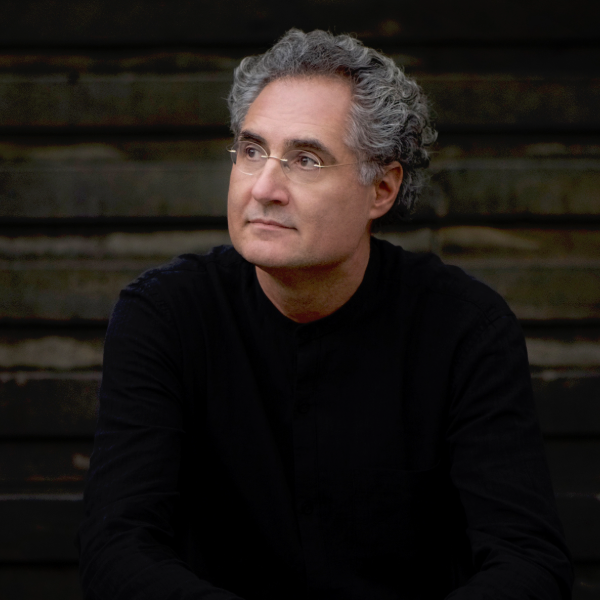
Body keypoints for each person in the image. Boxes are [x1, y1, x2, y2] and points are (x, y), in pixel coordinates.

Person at [76, 29, 573, 600]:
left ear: (381, 189)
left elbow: (528, 561)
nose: (264, 188)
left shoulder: (465, 329)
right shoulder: (166, 316)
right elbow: (117, 549)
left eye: (306, 160)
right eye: (252, 151)